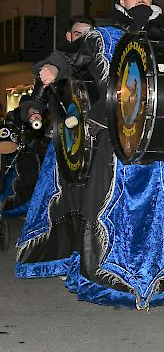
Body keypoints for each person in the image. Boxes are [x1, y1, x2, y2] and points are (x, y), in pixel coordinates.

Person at [18, 0, 164, 309]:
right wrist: (51, 68)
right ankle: (113, 284)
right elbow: (70, 55)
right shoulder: (104, 37)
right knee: (112, 211)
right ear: (121, 1)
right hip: (114, 143)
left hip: (163, 144)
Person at [15, 17, 96, 279]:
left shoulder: (99, 70)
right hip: (63, 146)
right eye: (79, 34)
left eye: (90, 34)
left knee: (92, 204)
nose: (84, 39)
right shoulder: (56, 68)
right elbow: (34, 101)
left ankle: (90, 260)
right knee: (61, 204)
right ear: (70, 37)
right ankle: (61, 259)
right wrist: (33, 113)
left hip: (95, 147)